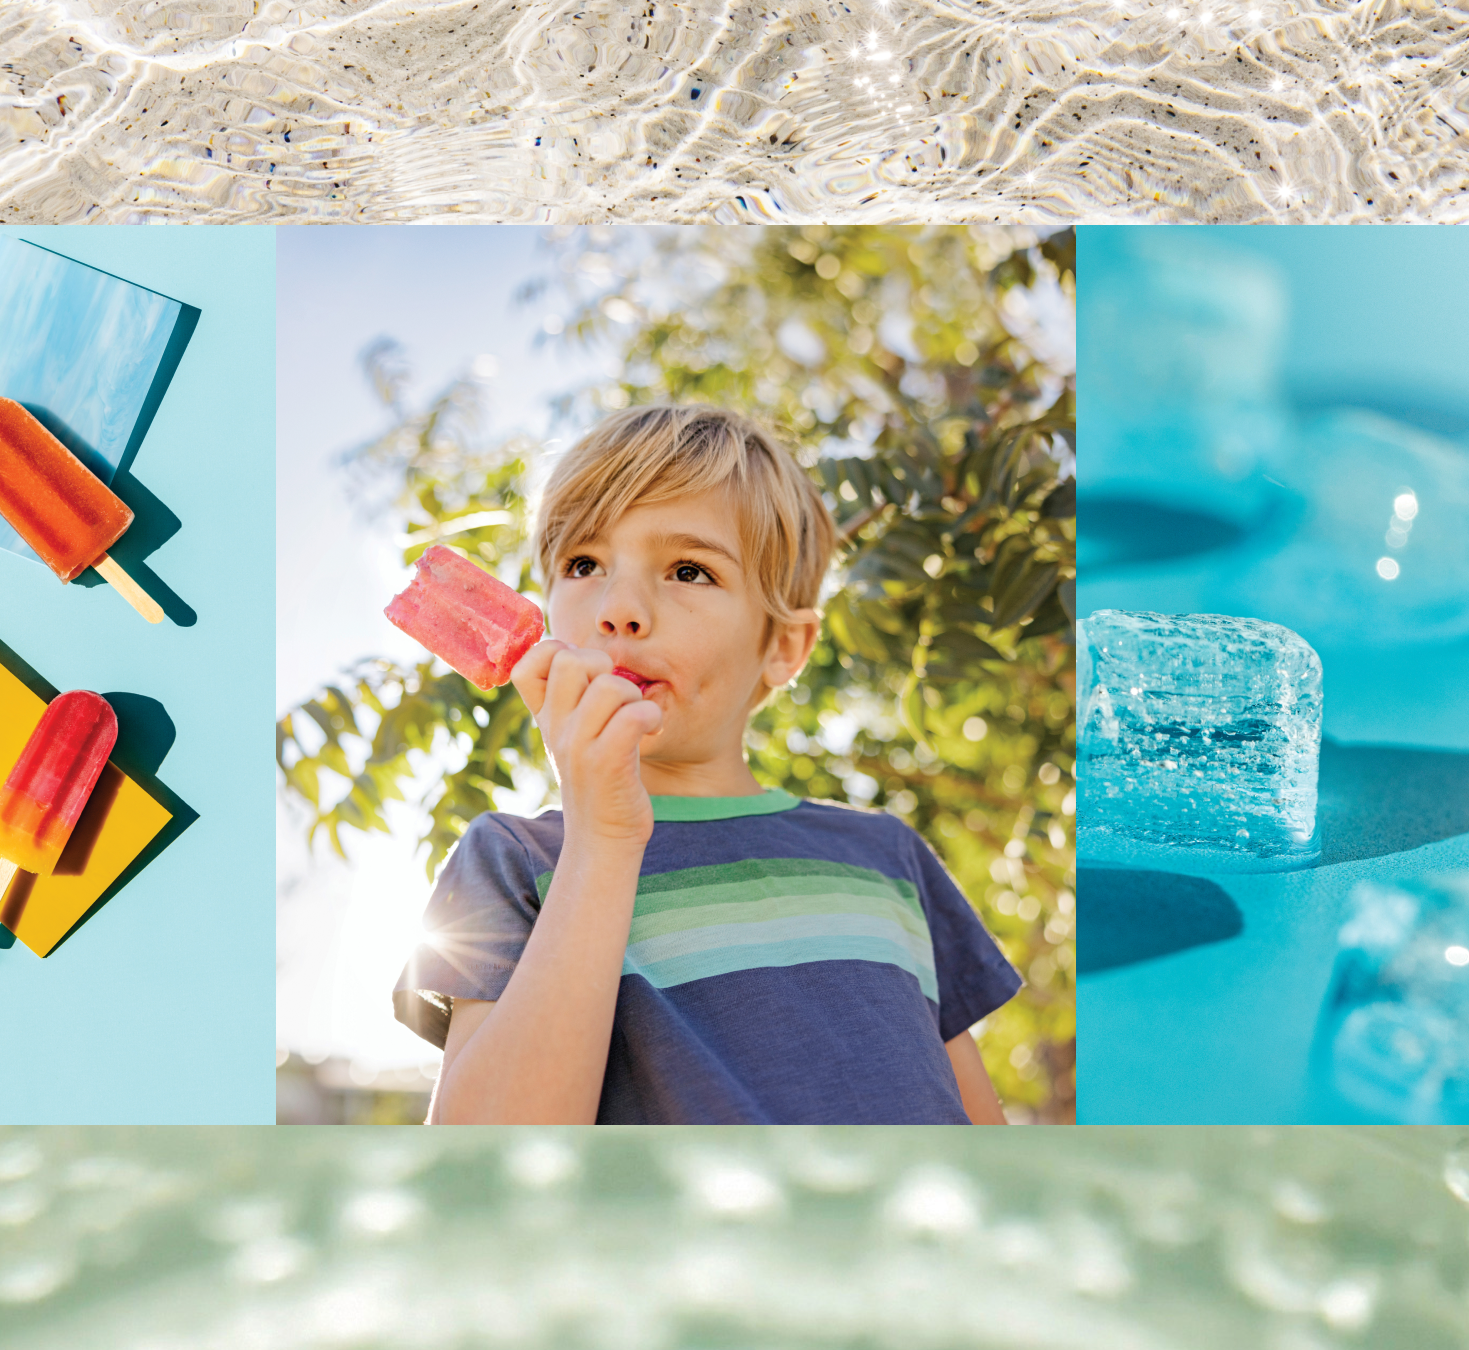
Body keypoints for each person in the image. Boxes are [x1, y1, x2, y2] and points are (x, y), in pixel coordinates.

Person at [394, 405, 1021, 1123]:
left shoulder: (887, 859)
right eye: (583, 564)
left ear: (783, 646)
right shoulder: (512, 862)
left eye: (689, 570)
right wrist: (602, 839)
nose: (620, 609)